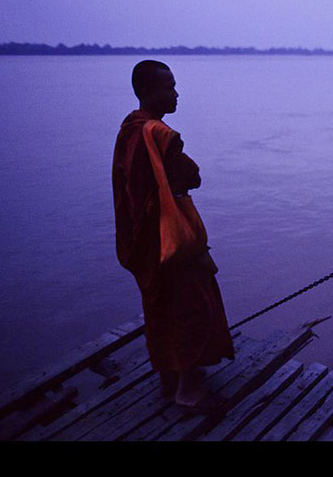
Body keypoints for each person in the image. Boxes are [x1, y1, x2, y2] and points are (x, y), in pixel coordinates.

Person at [112, 60, 234, 410]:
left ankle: (170, 377)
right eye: (169, 87)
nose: (176, 93)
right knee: (192, 306)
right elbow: (191, 176)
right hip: (170, 241)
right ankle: (187, 390)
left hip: (144, 241)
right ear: (147, 91)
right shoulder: (160, 136)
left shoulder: (130, 129)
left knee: (162, 307)